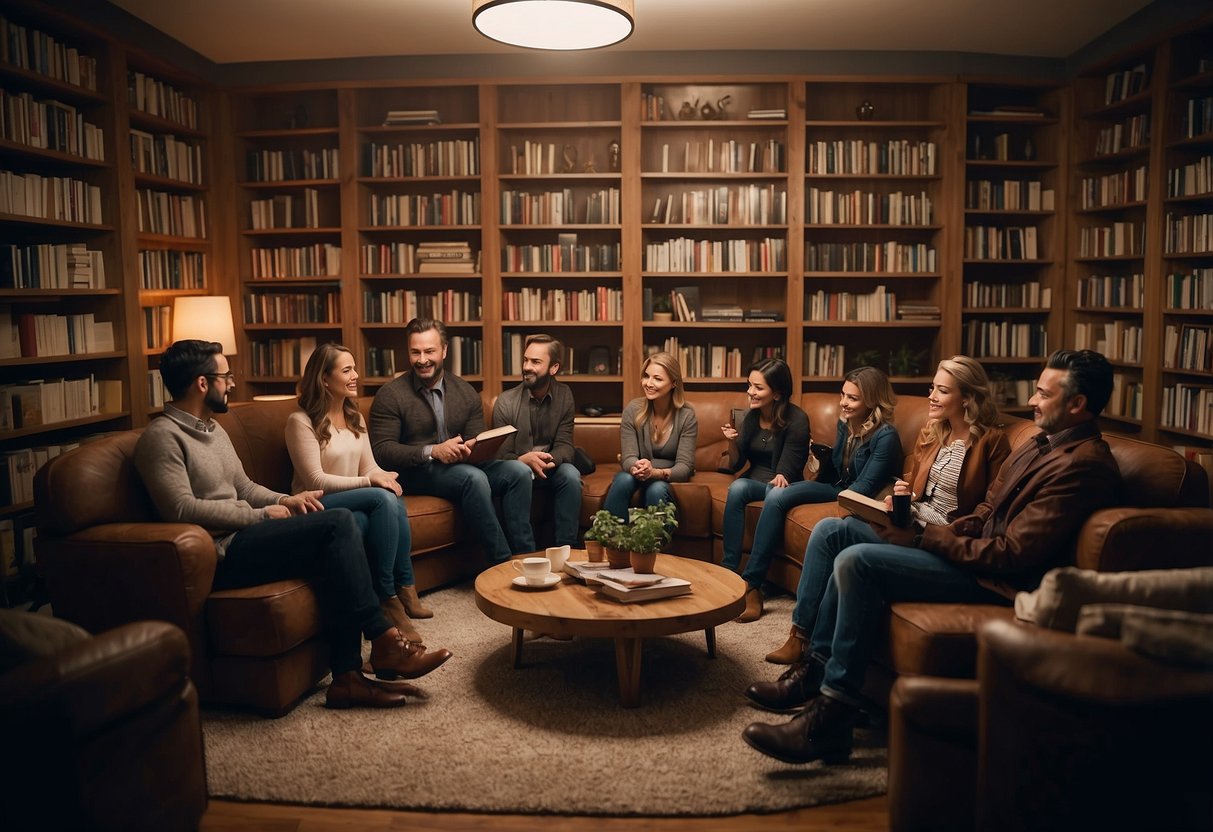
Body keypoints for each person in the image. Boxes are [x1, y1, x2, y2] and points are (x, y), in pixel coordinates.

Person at [741, 349, 1122, 765]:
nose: (1031, 402)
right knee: (836, 532)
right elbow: (983, 513)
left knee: (859, 560)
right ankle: (814, 668)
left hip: (994, 580)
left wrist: (926, 540)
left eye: (1043, 394)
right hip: (958, 549)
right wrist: (921, 530)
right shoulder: (1039, 445)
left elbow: (1014, 554)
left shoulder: (1085, 466)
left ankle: (832, 716)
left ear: (1077, 404)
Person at [134, 339, 451, 710]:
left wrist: (286, 500)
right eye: (225, 376)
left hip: (250, 533)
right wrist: (259, 515)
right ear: (203, 384)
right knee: (337, 523)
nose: (232, 383)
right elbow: (181, 508)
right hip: (222, 552)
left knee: (340, 537)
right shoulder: (161, 438)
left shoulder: (212, 430)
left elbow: (245, 487)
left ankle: (348, 678)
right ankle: (384, 638)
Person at [763, 355, 1010, 664]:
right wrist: (903, 495)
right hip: (910, 520)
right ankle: (799, 636)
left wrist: (923, 529)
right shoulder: (934, 433)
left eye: (942, 391)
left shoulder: (992, 442)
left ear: (968, 397)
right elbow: (919, 490)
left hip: (940, 539)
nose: (931, 396)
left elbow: (990, 511)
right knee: (828, 530)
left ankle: (816, 658)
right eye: (933, 388)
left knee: (845, 547)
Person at [724, 365, 902, 623]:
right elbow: (834, 470)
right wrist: (816, 469)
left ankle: (752, 583)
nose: (843, 403)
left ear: (873, 401)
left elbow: (863, 488)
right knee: (775, 492)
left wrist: (811, 486)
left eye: (852, 398)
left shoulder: (886, 436)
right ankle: (745, 581)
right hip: (837, 487)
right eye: (843, 395)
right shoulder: (846, 424)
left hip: (856, 497)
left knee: (778, 492)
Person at [286, 343, 431, 647]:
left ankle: (405, 587)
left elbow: (370, 466)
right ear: (324, 379)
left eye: (355, 368)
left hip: (351, 504)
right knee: (382, 497)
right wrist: (370, 482)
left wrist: (380, 476)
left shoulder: (355, 417)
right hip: (315, 503)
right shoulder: (300, 421)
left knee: (388, 497)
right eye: (347, 370)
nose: (356, 376)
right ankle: (388, 595)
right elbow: (315, 479)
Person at [370, 318, 533, 564]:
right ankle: (501, 564)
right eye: (415, 352)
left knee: (518, 471)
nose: (422, 359)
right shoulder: (390, 395)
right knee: (473, 477)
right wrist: (433, 451)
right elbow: (383, 451)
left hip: (459, 467)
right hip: (416, 472)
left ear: (444, 350)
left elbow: (475, 437)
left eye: (429, 351)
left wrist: (472, 447)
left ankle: (527, 557)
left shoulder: (465, 391)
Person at [718, 358, 812, 622]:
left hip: (781, 483)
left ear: (777, 393)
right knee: (737, 488)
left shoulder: (797, 420)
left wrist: (781, 476)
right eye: (749, 385)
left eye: (758, 388)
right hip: (754, 481)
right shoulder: (750, 418)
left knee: (775, 492)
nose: (750, 392)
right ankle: (729, 572)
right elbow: (736, 465)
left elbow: (789, 471)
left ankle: (753, 585)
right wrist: (732, 442)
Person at [491, 334, 581, 548]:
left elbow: (565, 445)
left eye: (536, 362)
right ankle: (524, 554)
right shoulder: (506, 401)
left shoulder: (564, 395)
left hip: (549, 466)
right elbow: (501, 454)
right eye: (526, 360)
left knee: (571, 475)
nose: (527, 367)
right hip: (518, 469)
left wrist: (549, 460)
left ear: (554, 368)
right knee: (519, 472)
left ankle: (567, 551)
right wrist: (525, 460)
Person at [603, 351, 698, 520]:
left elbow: (685, 467)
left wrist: (656, 472)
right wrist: (636, 466)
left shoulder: (686, 416)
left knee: (656, 489)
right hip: (638, 471)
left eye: (658, 379)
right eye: (646, 376)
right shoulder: (633, 409)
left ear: (674, 383)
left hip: (664, 477)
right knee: (623, 479)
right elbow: (628, 456)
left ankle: (656, 545)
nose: (649, 383)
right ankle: (610, 541)